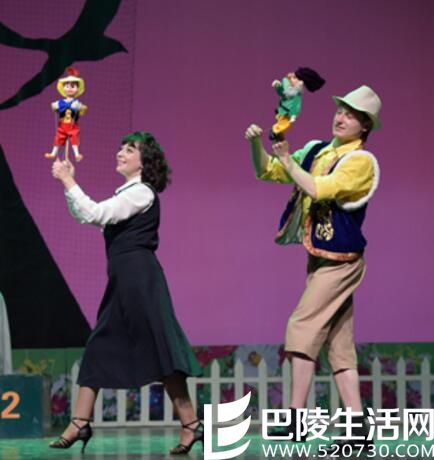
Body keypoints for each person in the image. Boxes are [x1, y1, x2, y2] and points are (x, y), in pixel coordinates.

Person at [246, 85, 381, 453]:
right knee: (339, 346)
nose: (341, 117)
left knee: (301, 327)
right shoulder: (317, 150)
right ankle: (357, 429)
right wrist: (257, 145)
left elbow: (320, 189)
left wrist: (289, 162)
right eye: (340, 110)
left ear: (365, 125)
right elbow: (268, 170)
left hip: (341, 261)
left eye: (351, 115)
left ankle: (296, 420)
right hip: (321, 256)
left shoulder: (361, 161)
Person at [49, 131, 203, 455]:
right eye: (121, 148)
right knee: (98, 344)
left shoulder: (141, 193)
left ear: (144, 162)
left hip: (140, 280)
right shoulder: (127, 194)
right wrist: (68, 184)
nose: (121, 153)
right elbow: (87, 216)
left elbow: (95, 213)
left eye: (130, 150)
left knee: (161, 348)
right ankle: (80, 422)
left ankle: (191, 425)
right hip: (122, 280)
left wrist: (67, 180)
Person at [45, 67, 87, 162]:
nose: (70, 88)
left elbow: (84, 109)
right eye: (67, 86)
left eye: (73, 86)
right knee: (58, 138)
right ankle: (53, 153)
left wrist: (80, 108)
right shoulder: (61, 102)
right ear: (63, 88)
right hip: (62, 125)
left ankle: (77, 154)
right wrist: (54, 106)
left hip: (72, 126)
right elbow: (54, 107)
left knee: (74, 139)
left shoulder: (76, 103)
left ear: (77, 89)